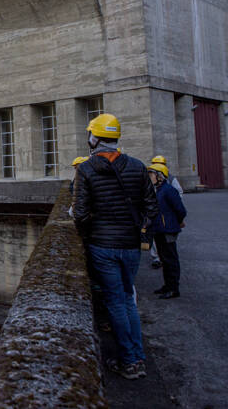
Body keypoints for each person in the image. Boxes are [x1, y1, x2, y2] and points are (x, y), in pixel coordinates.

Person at [73, 113, 158, 380]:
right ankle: (137, 357)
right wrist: (137, 228)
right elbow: (151, 207)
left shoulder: (86, 169)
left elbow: (80, 213)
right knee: (128, 299)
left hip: (102, 245)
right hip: (130, 245)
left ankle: (130, 361)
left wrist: (89, 231)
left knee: (115, 302)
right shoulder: (137, 166)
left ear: (94, 138)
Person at [147, 163, 186, 299]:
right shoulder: (157, 190)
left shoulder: (168, 190)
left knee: (170, 259)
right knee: (164, 258)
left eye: (151, 174)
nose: (149, 176)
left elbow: (180, 210)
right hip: (159, 229)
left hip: (168, 229)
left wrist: (177, 221)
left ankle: (173, 288)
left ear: (159, 176)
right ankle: (167, 285)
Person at [148, 155, 183, 269]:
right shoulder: (153, 184)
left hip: (167, 222)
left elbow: (180, 206)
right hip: (157, 222)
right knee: (157, 243)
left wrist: (176, 218)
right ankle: (156, 258)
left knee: (170, 256)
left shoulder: (169, 184)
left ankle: (172, 285)